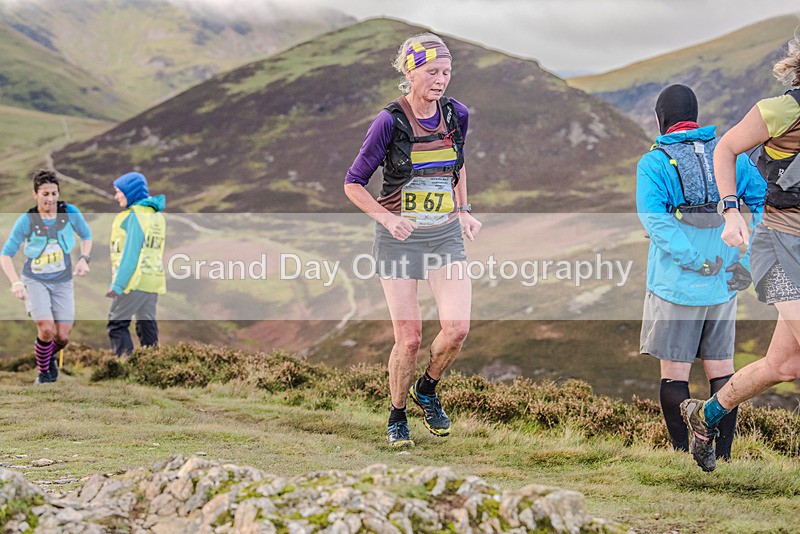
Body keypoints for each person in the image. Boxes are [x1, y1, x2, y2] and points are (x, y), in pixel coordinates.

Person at [344, 33, 481, 447]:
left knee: (457, 328)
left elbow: (457, 165)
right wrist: (387, 219)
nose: (441, 80)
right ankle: (397, 413)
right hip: (399, 240)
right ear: (411, 72)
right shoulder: (390, 120)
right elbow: (353, 184)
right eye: (432, 71)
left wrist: (463, 211)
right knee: (410, 338)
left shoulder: (457, 114)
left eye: (446, 72)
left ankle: (428, 388)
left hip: (443, 236)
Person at [682, 33, 800, 472]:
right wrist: (731, 210)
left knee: (782, 365)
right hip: (777, 245)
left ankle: (705, 415)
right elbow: (727, 148)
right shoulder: (783, 109)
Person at [637, 85, 766, 461]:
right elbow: (762, 203)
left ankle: (684, 455)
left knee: (675, 375)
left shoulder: (654, 162)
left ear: (661, 117)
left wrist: (695, 260)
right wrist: (745, 258)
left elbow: (655, 222)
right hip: (725, 281)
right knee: (722, 373)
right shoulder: (731, 155)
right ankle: (722, 456)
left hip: (676, 286)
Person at [1, 170, 92, 384]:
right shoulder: (27, 220)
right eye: (44, 194)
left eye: (53, 193)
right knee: (46, 328)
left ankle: (45, 355)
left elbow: (86, 235)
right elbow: (6, 254)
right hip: (35, 280)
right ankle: (45, 375)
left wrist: (83, 259)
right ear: (35, 195)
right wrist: (15, 282)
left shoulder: (69, 212)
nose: (50, 199)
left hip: (63, 280)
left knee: (62, 336)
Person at [107, 172, 166, 356]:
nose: (116, 196)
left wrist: (118, 285)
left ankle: (126, 370)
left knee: (117, 323)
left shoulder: (134, 216)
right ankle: (153, 367)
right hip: (153, 279)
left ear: (130, 192)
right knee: (146, 325)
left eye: (119, 192)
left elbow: (131, 254)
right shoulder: (157, 216)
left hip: (134, 280)